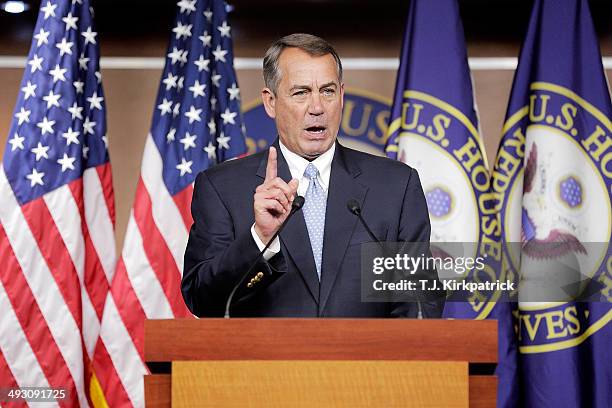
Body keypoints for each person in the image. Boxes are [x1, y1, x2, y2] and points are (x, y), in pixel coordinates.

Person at [182, 33, 444, 318]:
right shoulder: (222, 188)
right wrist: (259, 238)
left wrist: (380, 362)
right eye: (301, 92)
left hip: (369, 362)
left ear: (341, 96)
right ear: (271, 102)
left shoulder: (396, 186)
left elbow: (419, 301)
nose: (317, 108)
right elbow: (202, 299)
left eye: (328, 91)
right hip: (265, 362)